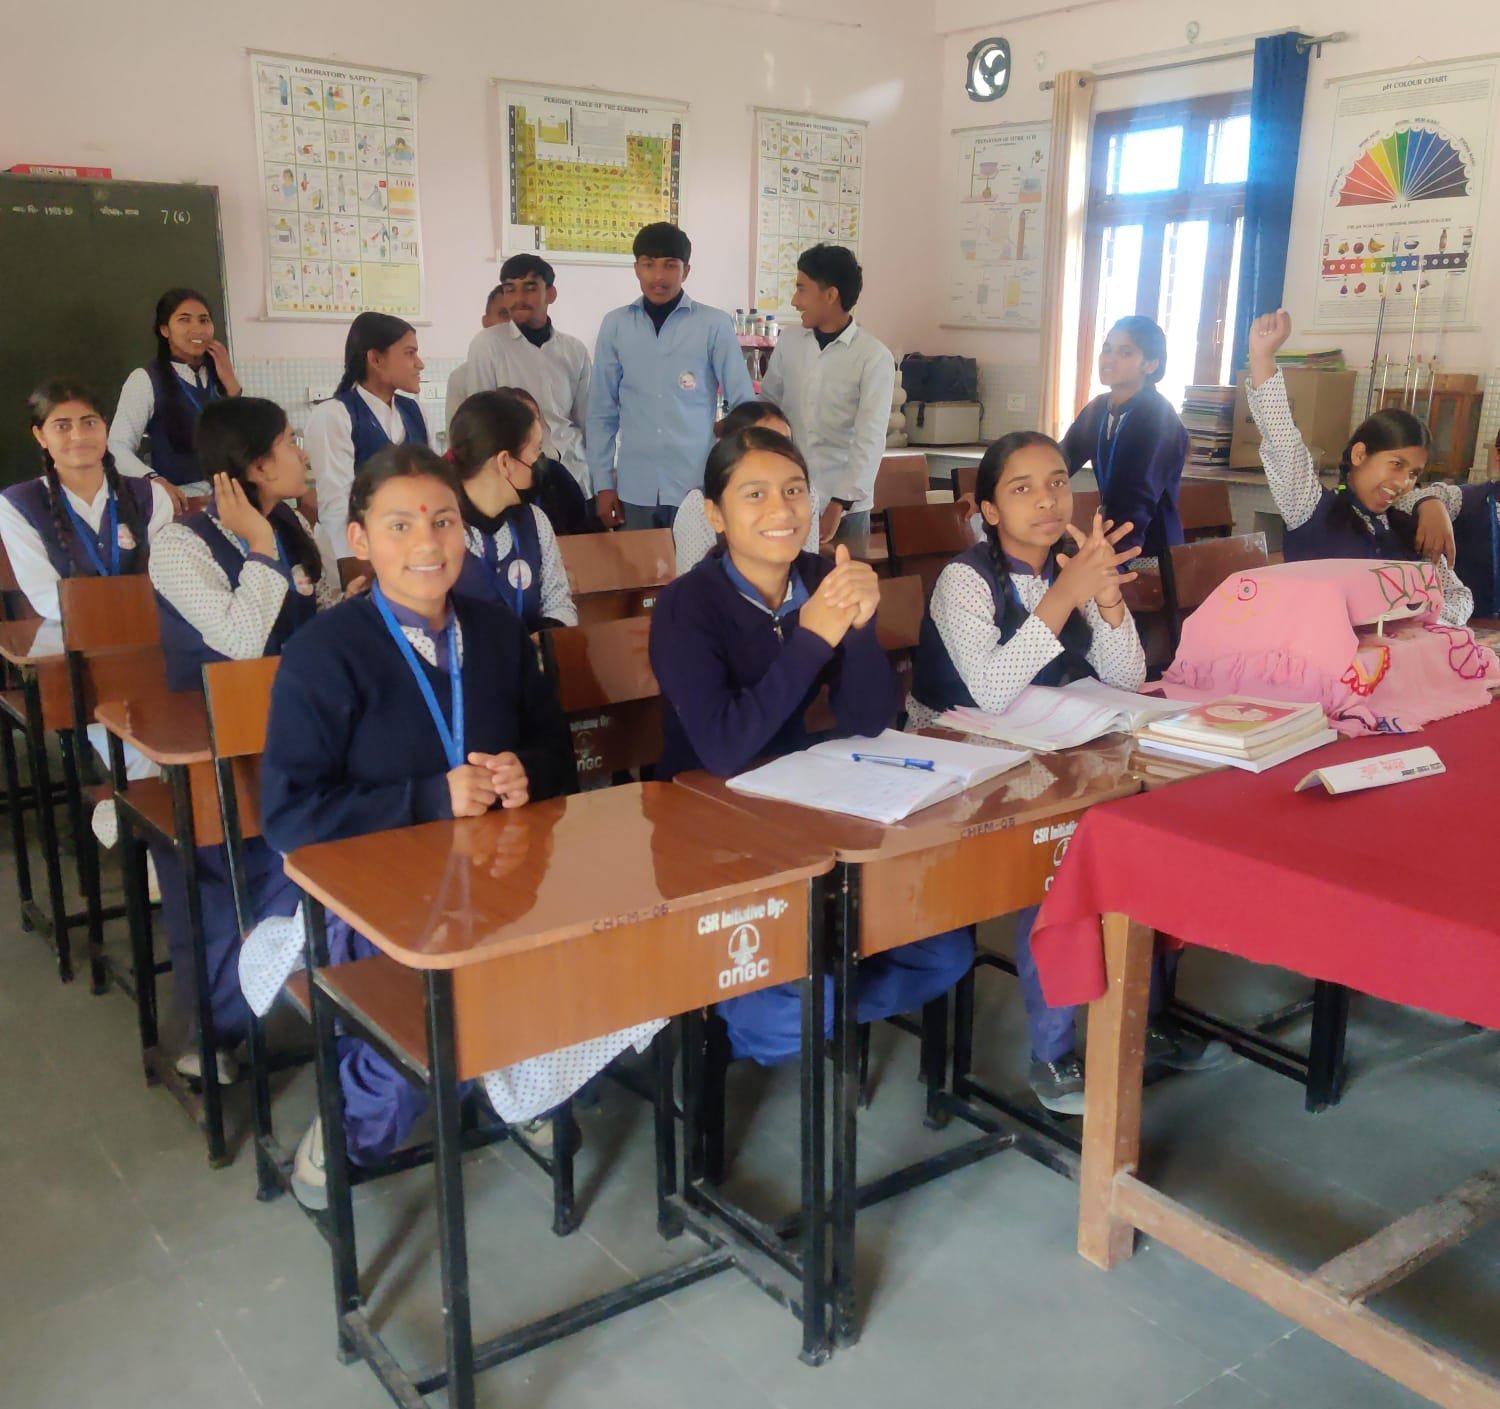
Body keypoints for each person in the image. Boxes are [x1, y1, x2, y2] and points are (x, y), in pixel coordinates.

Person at [258, 446, 654, 1208]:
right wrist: (428, 799)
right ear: (359, 538)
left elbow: (555, 750)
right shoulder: (322, 654)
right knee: (436, 1016)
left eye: (443, 521)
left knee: (599, 952)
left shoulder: (498, 633)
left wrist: (526, 771)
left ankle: (520, 1080)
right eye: (400, 525)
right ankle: (348, 1126)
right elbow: (290, 814)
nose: (428, 542)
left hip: (501, 878)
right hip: (373, 894)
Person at [907, 430, 1227, 1112]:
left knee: (1151, 834)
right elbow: (991, 691)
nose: (1048, 500)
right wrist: (1069, 592)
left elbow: (1126, 677)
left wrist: (1104, 597)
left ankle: (1146, 1014)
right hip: (960, 757)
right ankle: (1052, 1054)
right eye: (1022, 488)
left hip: (1048, 747)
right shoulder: (965, 579)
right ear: (988, 509)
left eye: (1057, 482)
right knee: (1056, 859)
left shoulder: (1069, 566)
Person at [648, 426, 972, 1062]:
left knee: (946, 954)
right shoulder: (688, 606)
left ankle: (802, 1000)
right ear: (715, 514)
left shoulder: (824, 576)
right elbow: (723, 749)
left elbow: (867, 720)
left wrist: (859, 629)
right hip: (711, 829)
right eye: (755, 494)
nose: (782, 509)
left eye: (794, 490)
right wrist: (814, 639)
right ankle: (748, 1013)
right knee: (804, 1003)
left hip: (808, 814)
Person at [144, 395, 342, 1085]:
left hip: (297, 737)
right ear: (256, 465)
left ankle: (315, 995)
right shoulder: (179, 545)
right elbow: (240, 640)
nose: (302, 453)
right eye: (289, 442)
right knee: (220, 886)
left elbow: (319, 622)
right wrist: (259, 544)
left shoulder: (294, 527)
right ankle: (212, 1031)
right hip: (214, 755)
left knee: (317, 861)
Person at [1246, 309, 1473, 625]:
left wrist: (1425, 623)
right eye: (1396, 465)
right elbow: (1282, 439)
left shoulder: (1406, 527)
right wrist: (1262, 357)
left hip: (1394, 654)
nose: (1403, 482)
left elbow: (1457, 594)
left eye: (1413, 474)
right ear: (1359, 455)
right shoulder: (1309, 508)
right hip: (1315, 651)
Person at [587, 223, 754, 530]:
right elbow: (601, 412)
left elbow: (744, 403)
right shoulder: (616, 325)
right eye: (648, 264)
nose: (658, 277)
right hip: (634, 487)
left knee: (699, 562)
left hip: (697, 486)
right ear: (636, 269)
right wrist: (603, 484)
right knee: (638, 562)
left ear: (685, 271)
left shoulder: (713, 325)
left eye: (670, 266)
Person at [2, 380, 172, 624]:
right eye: (62, 426)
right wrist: (114, 612)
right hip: (68, 634)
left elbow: (166, 582)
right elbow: (46, 596)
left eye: (89, 423)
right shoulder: (18, 505)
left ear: (106, 427)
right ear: (40, 436)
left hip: (149, 626)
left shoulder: (151, 495)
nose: (79, 436)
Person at [760, 244, 895, 545]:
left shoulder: (873, 357)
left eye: (801, 289)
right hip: (788, 496)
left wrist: (839, 503)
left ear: (830, 295)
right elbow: (768, 408)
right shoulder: (790, 342)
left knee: (845, 573)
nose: (794, 301)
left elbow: (870, 440)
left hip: (846, 507)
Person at [303, 312, 428, 570]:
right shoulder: (334, 415)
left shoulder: (416, 412)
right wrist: (355, 565)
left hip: (408, 548)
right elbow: (336, 504)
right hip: (357, 556)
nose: (420, 364)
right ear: (376, 359)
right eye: (409, 353)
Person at [459, 255, 592, 498]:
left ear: (550, 294)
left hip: (574, 475)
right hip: (519, 480)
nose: (519, 298)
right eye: (510, 289)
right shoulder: (488, 345)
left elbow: (587, 421)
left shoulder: (574, 350)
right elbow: (482, 424)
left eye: (530, 288)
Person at [1060, 316, 1186, 566]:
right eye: (1107, 349)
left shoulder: (1158, 418)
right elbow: (1059, 460)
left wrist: (1110, 560)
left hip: (1149, 553)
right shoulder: (1098, 408)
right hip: (1110, 542)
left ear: (1150, 364)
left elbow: (1139, 498)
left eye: (1125, 352)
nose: (1109, 359)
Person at [447, 390, 577, 630]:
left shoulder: (535, 521)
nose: (542, 462)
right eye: (537, 450)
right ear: (505, 462)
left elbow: (559, 603)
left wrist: (541, 641)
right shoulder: (439, 530)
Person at [110, 288, 241, 510]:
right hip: (178, 501)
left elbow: (243, 440)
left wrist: (232, 386)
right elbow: (116, 446)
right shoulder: (145, 379)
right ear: (165, 330)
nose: (197, 329)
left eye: (204, 320)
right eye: (184, 320)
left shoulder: (221, 373)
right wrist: (153, 480)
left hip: (227, 497)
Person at [672, 400, 818, 573]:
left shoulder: (806, 494)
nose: (782, 511)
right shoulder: (697, 504)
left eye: (785, 443)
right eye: (755, 495)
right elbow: (692, 578)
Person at [444, 284, 512, 433]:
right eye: (504, 314)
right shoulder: (461, 377)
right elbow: (455, 438)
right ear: (485, 322)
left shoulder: (540, 370)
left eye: (517, 317)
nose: (510, 324)